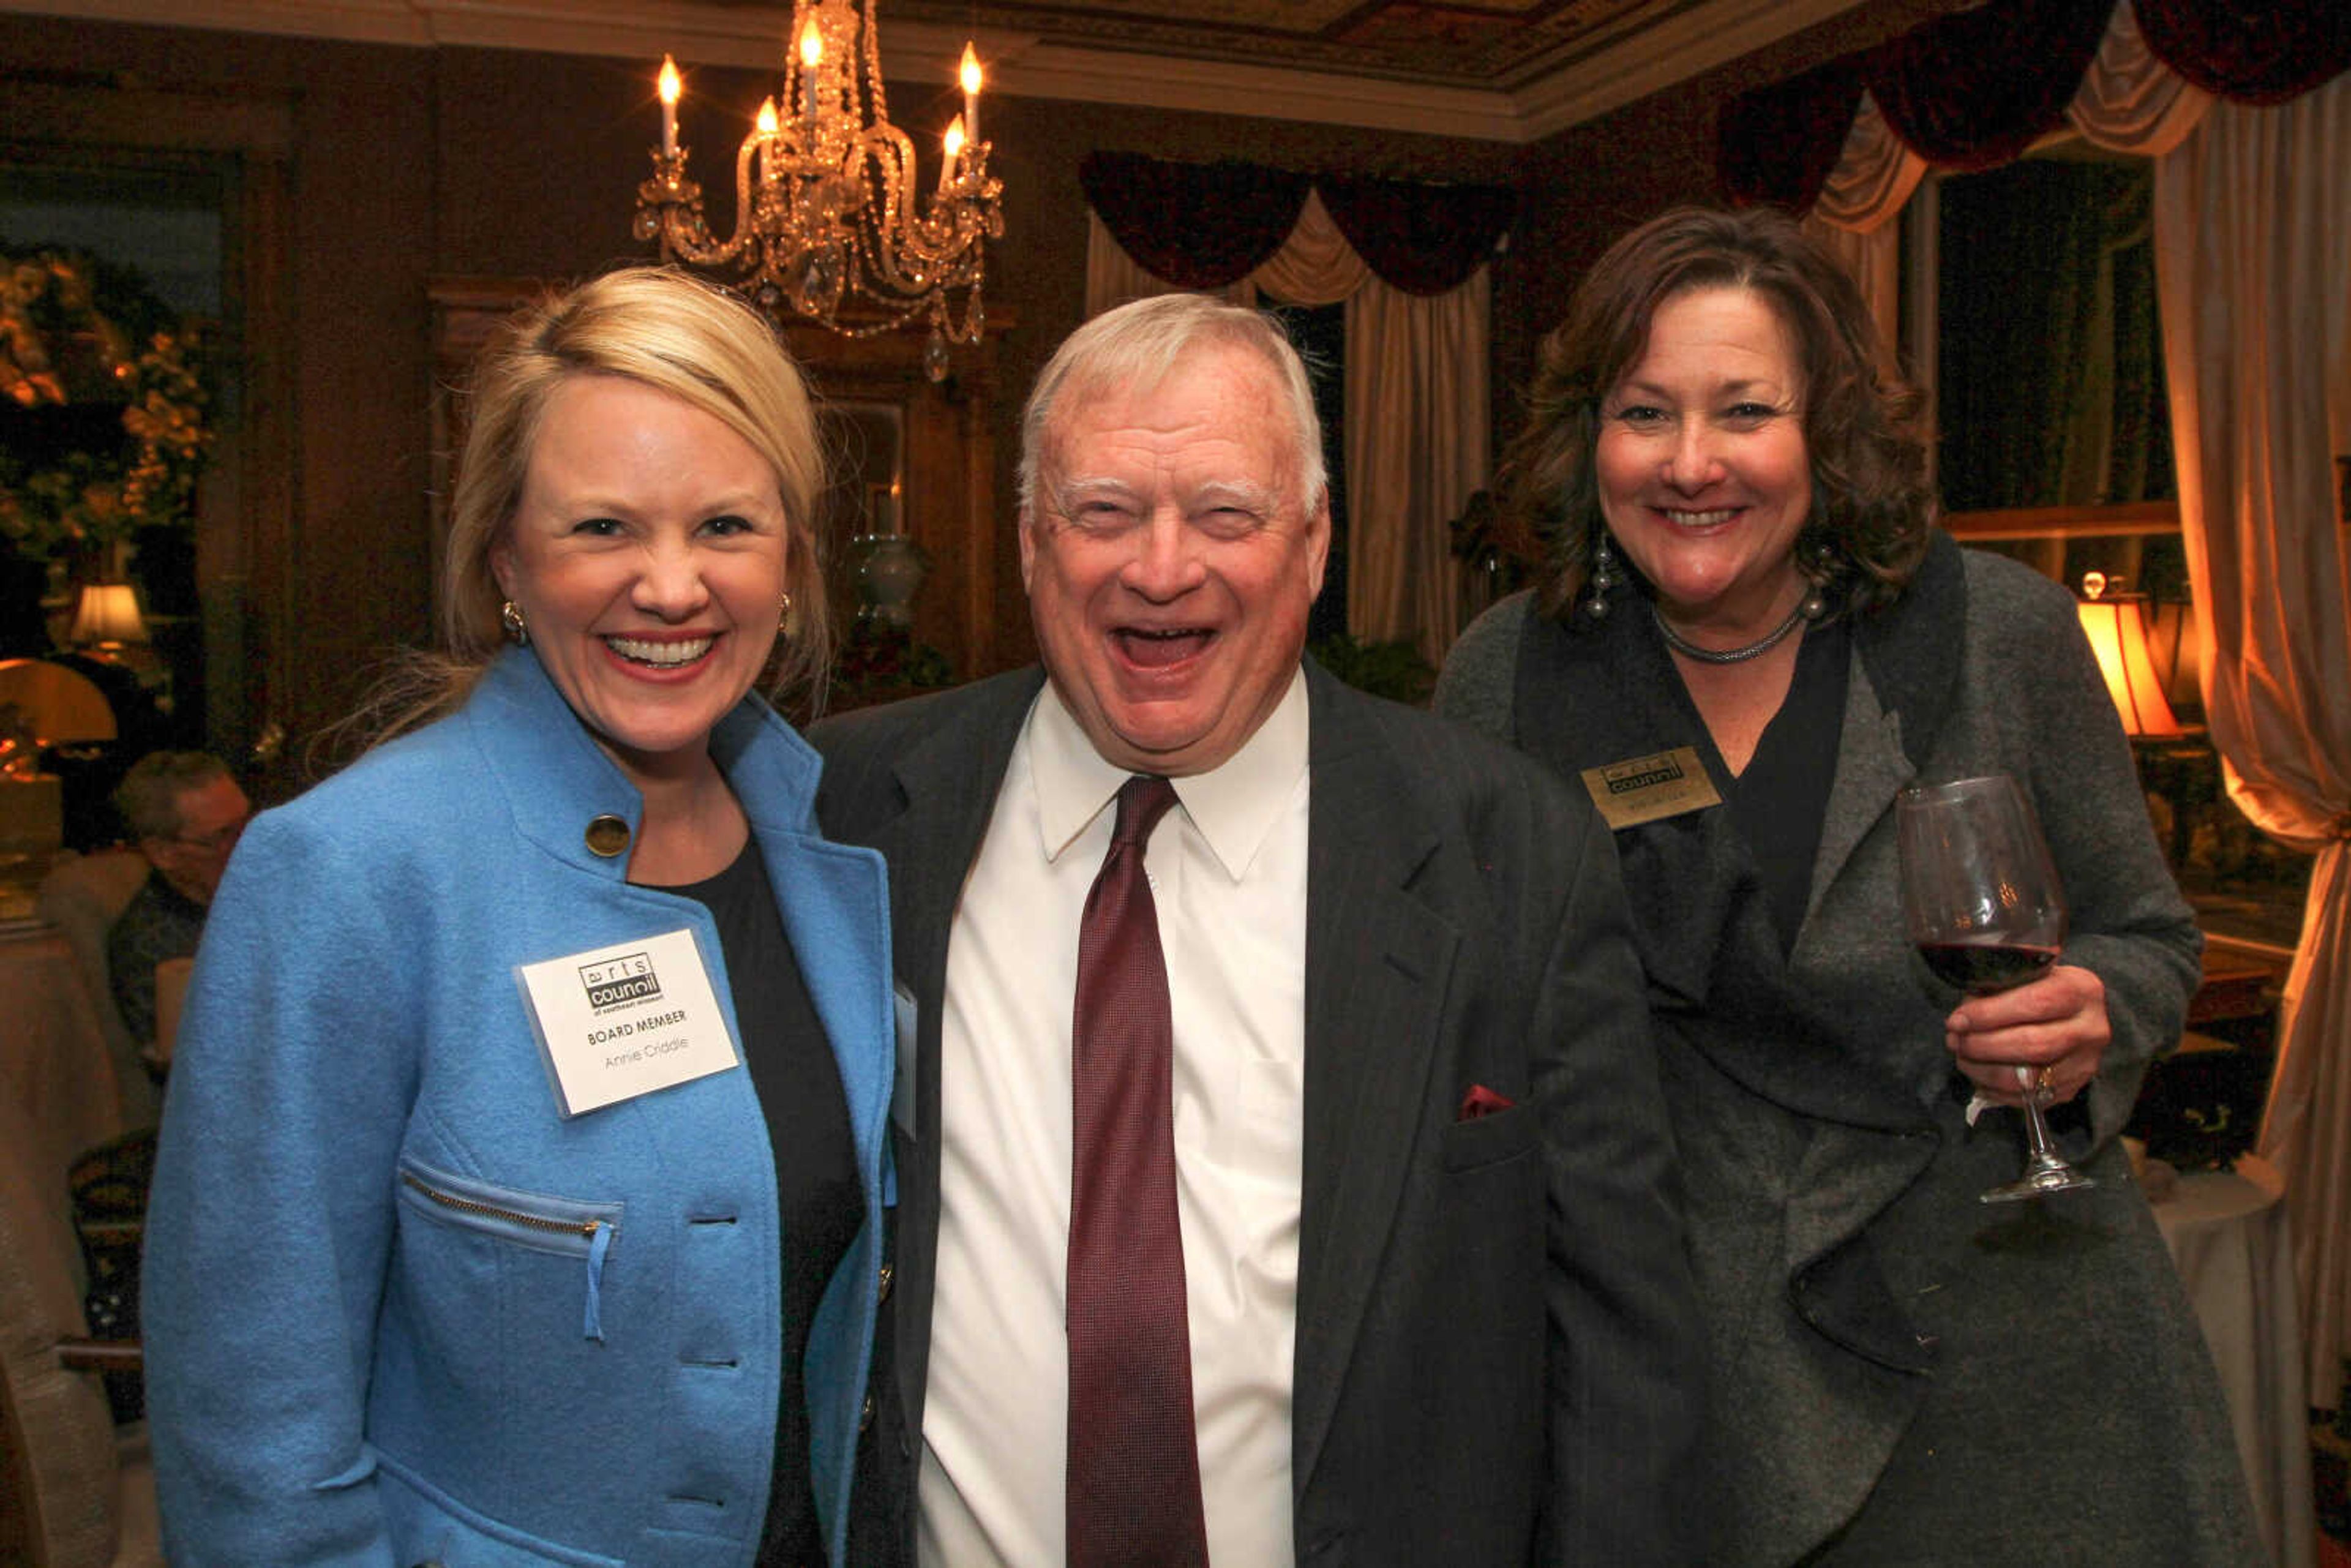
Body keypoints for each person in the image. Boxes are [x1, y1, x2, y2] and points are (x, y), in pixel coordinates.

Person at [812, 291, 1701, 1567]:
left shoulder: (1507, 849)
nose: (1161, 568)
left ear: (1315, 540)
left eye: (1226, 513)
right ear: (1028, 541)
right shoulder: (851, 809)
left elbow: (1626, 1357)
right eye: (1104, 510)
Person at [1435, 205, 2259, 1565]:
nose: (1692, 462)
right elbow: (1474, 1017)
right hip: (1690, 1362)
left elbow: (2148, 934)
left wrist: (2092, 1007)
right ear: (1592, 440)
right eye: (1645, 413)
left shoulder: (2005, 635)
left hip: (2013, 1338)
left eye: (1745, 410)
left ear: (1828, 432)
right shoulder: (1511, 675)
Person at [143, 268, 896, 1567]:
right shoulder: (351, 871)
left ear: (792, 563)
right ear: (505, 559)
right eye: (603, 527)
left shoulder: (834, 843)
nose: (672, 587)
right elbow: (253, 1431)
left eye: (726, 524)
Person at [106, 748, 247, 1049]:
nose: (247, 846)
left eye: (248, 825)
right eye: (223, 837)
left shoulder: (267, 896)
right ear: (163, 853)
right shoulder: (152, 947)